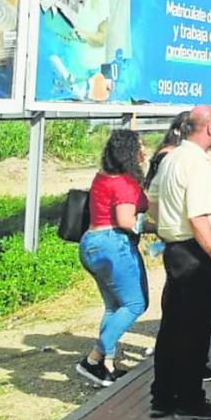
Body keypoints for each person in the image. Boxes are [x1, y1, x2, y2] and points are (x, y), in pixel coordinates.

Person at [150, 106, 211, 420]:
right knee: (194, 330)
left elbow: (152, 200)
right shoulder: (196, 164)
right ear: (210, 127)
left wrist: (167, 227)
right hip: (195, 252)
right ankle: (189, 402)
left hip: (175, 249)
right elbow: (198, 217)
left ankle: (163, 397)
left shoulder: (171, 157)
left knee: (172, 327)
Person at [75, 128, 148, 387]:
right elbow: (126, 221)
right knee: (135, 304)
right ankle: (93, 359)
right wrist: (154, 226)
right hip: (113, 245)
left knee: (114, 307)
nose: (144, 152)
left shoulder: (102, 176)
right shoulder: (125, 183)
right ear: (129, 153)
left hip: (91, 243)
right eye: (140, 147)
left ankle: (105, 366)